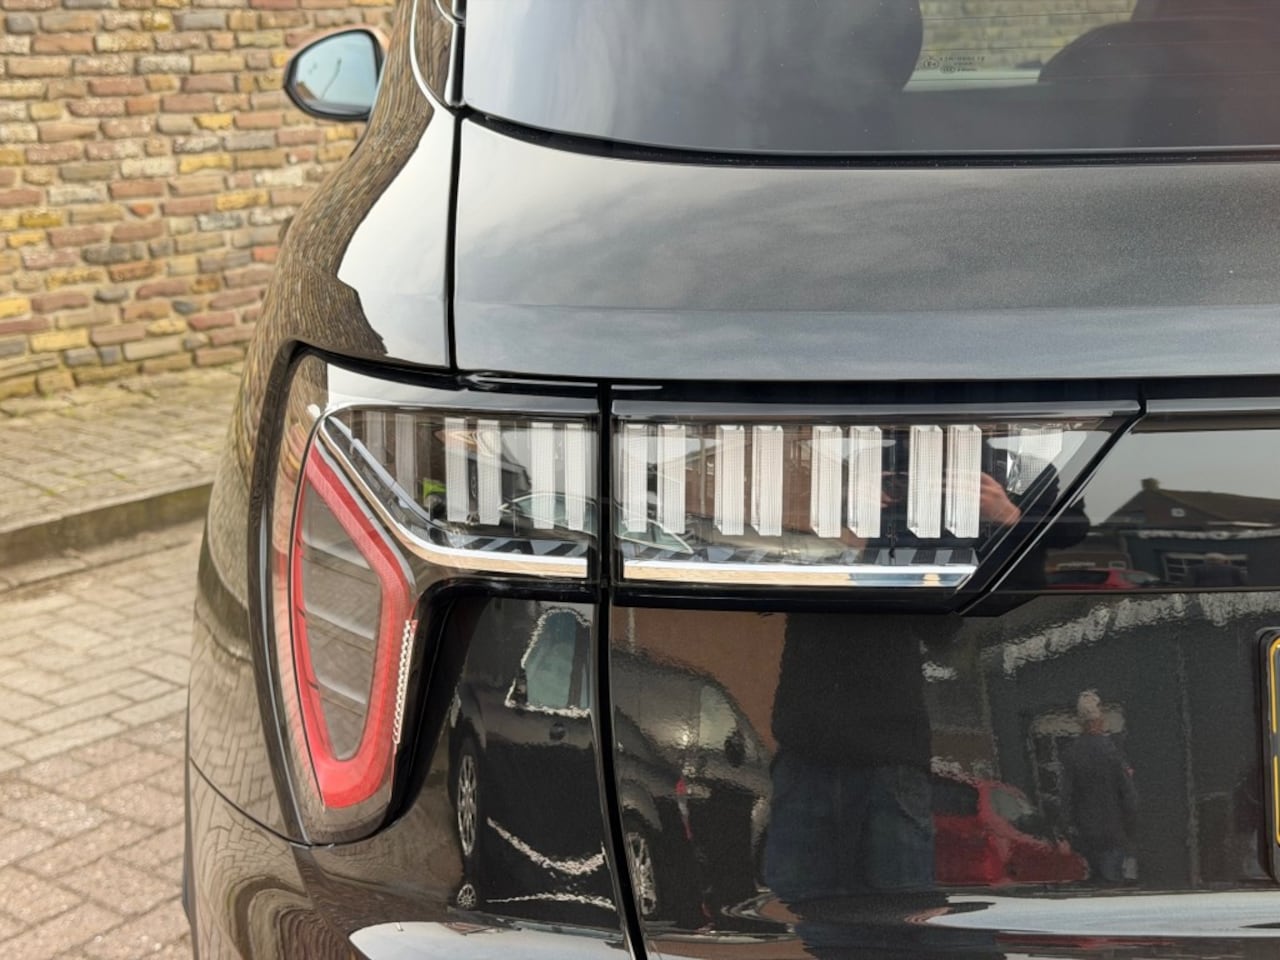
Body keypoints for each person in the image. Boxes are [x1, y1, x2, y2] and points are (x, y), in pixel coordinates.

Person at [1061, 690, 1138, 883]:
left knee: (1093, 883)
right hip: (1113, 832)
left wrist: (1068, 830)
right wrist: (1130, 827)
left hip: (1085, 835)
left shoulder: (1071, 754)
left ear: (1080, 722)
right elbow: (1128, 796)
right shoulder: (1112, 752)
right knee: (1112, 882)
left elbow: (1066, 798)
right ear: (1100, 720)